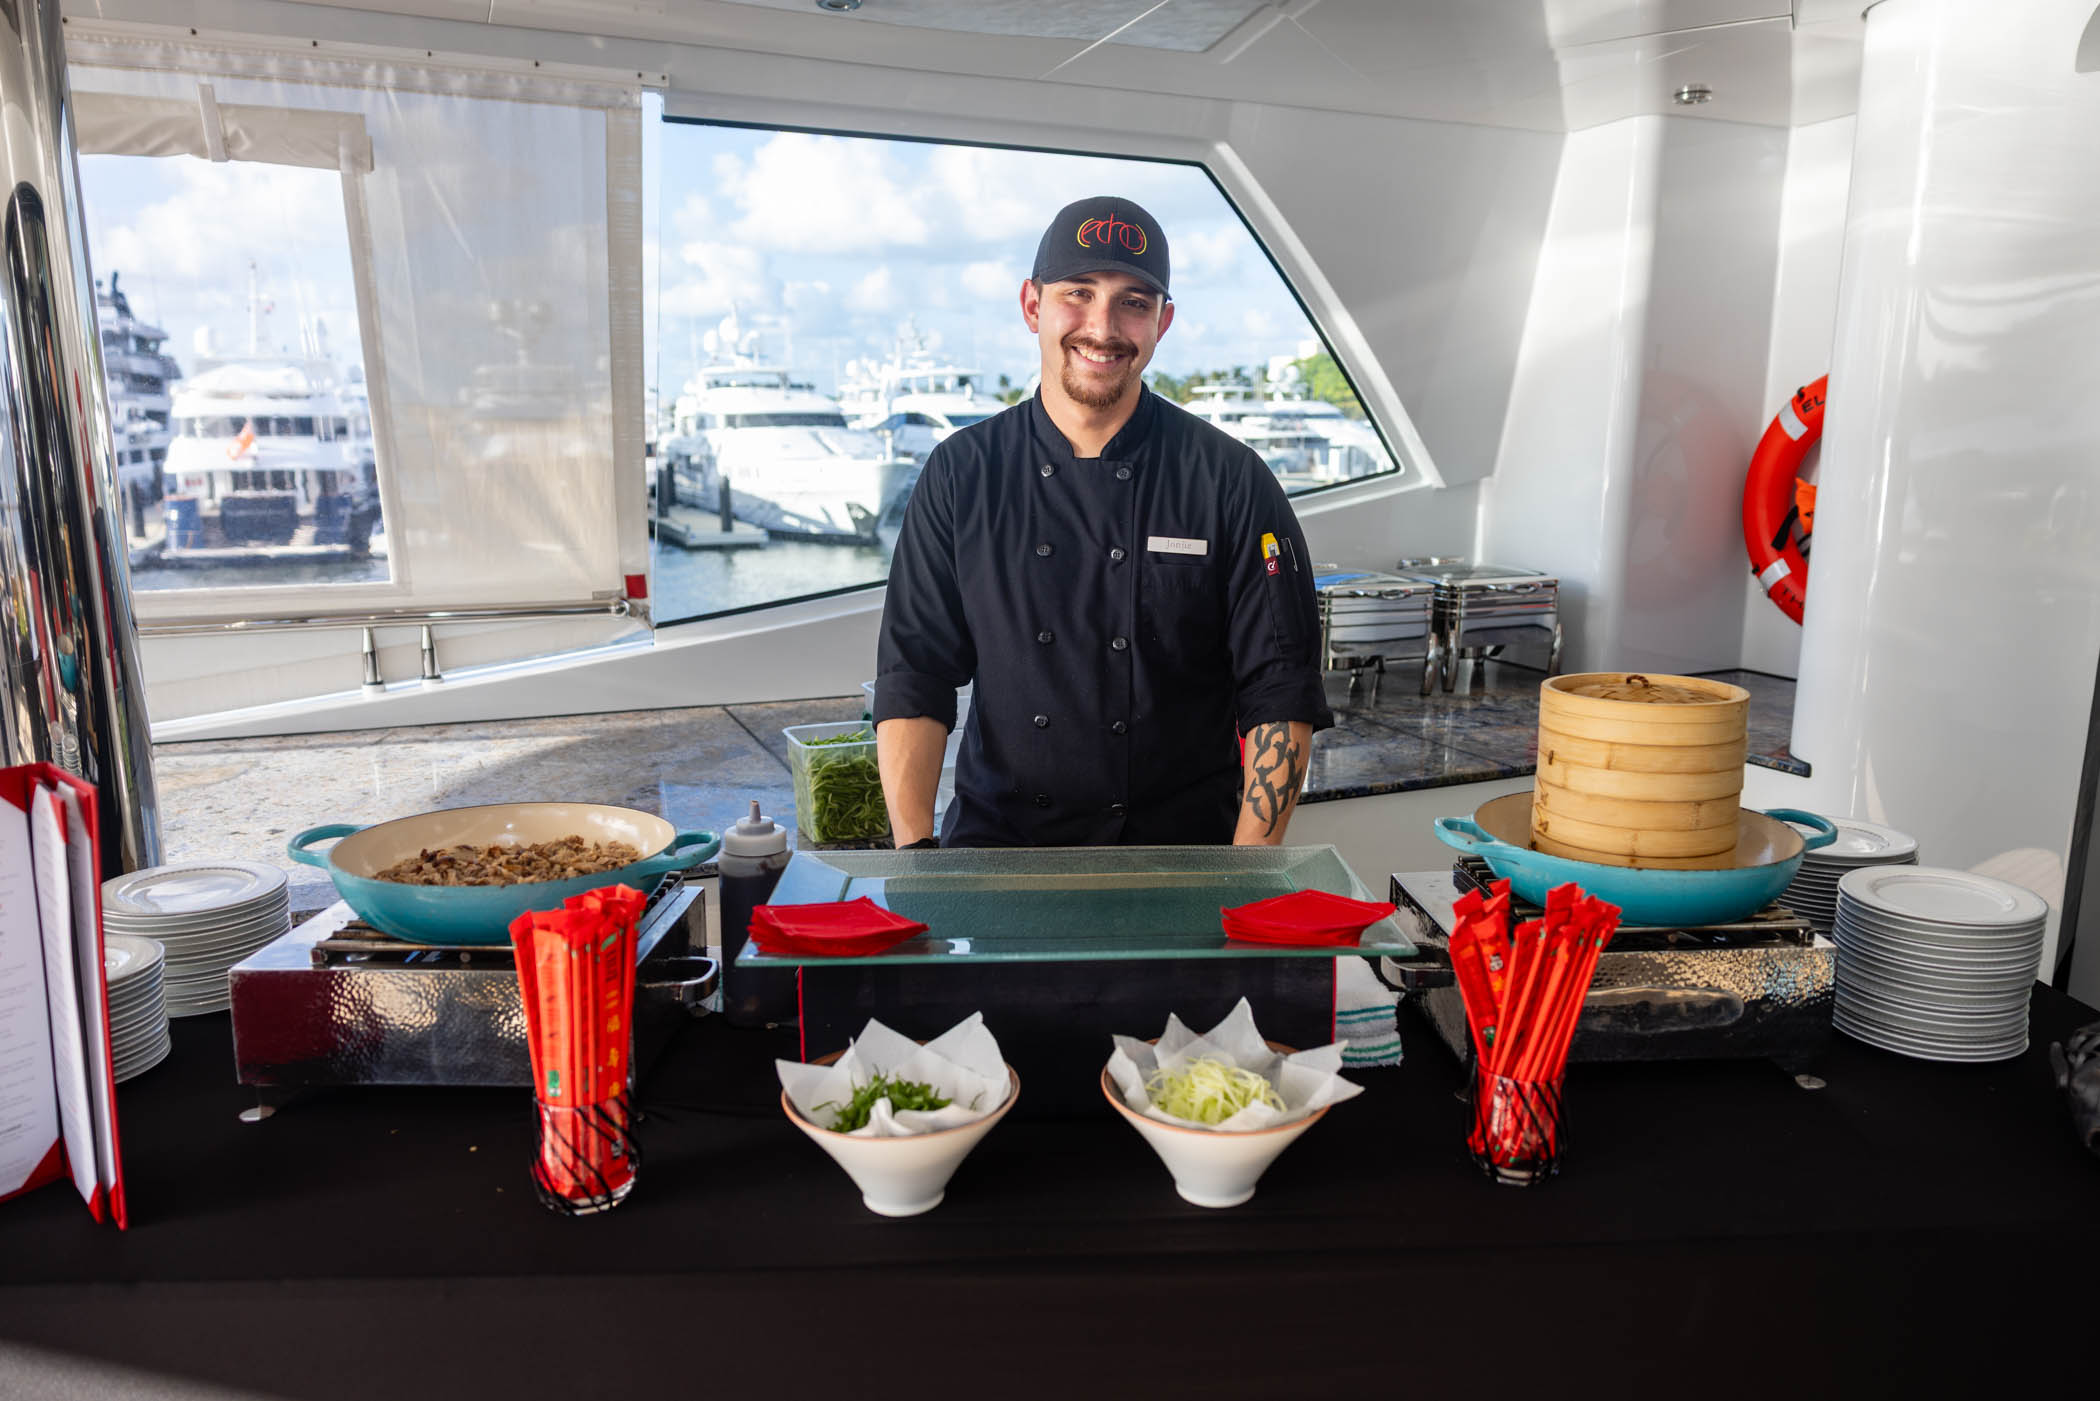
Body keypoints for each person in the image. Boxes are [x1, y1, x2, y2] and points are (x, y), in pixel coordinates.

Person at [872, 195, 1333, 848]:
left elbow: (1280, 691)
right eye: (1078, 294)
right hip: (997, 856)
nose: (1103, 326)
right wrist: (917, 856)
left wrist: (1246, 873)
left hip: (1183, 861)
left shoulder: (1231, 479)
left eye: (1133, 302)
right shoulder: (961, 474)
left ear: (1161, 322)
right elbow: (914, 676)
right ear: (1032, 305)